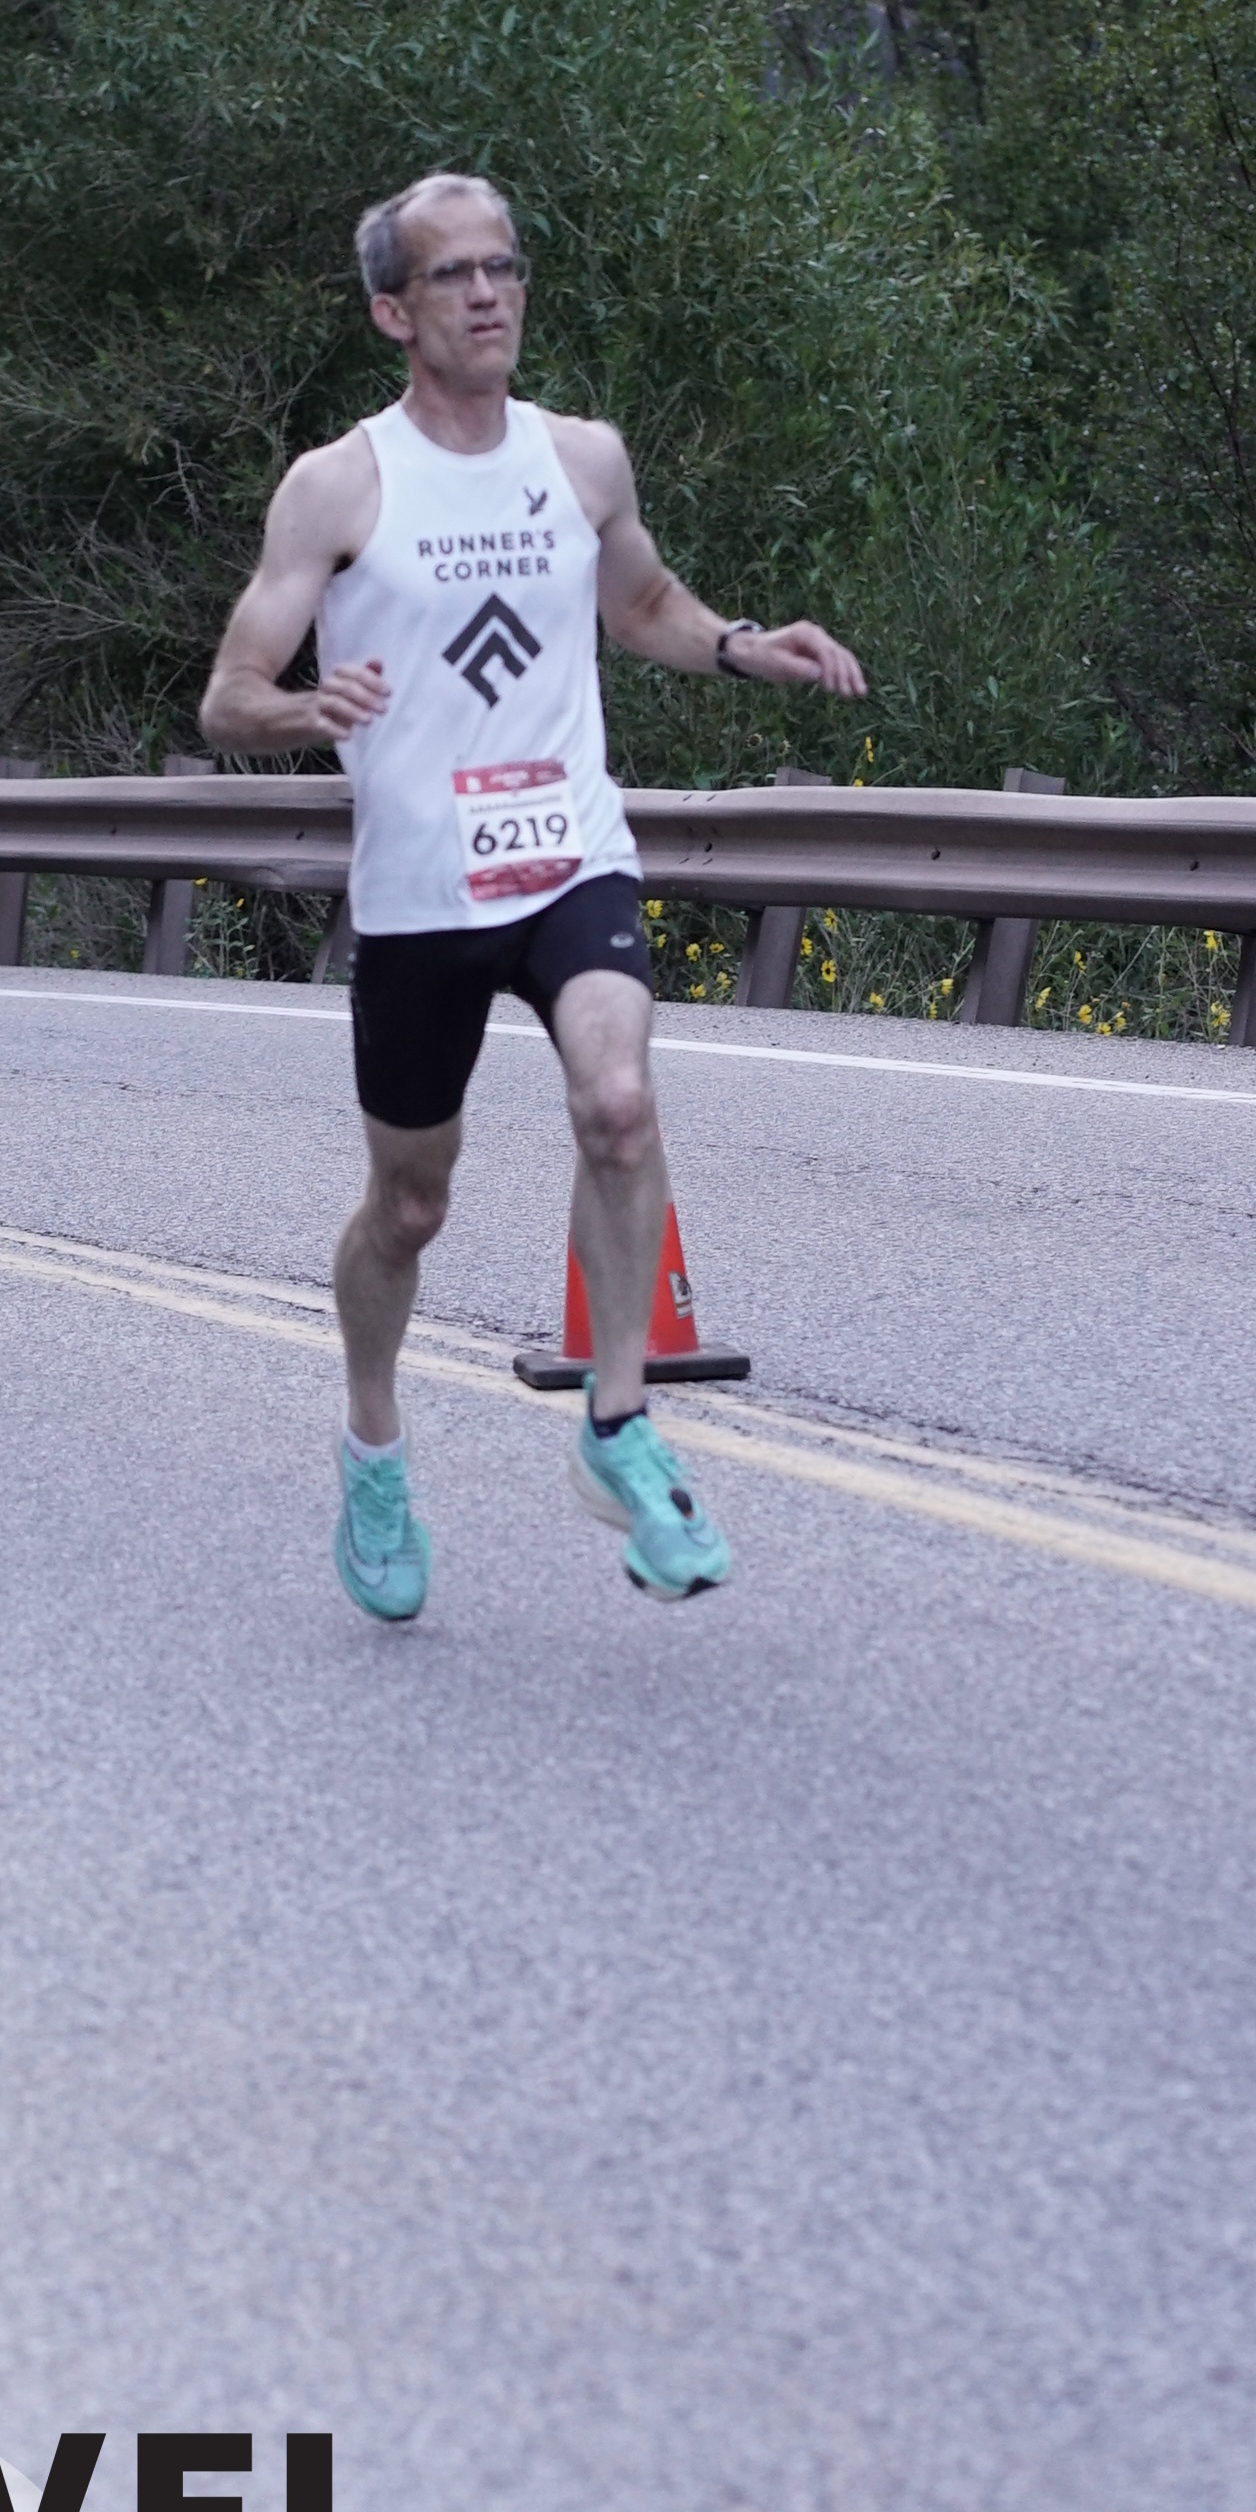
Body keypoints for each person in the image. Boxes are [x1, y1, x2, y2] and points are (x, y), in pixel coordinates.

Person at [197, 169, 866, 1623]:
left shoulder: (581, 459)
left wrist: (744, 644)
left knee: (618, 1104)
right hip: (423, 891)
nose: (489, 294)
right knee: (409, 1206)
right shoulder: (340, 486)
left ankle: (618, 1428)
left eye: (504, 266)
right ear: (394, 312)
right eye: (454, 274)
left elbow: (642, 604)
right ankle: (375, 1447)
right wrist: (303, 711)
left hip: (569, 849)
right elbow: (227, 696)